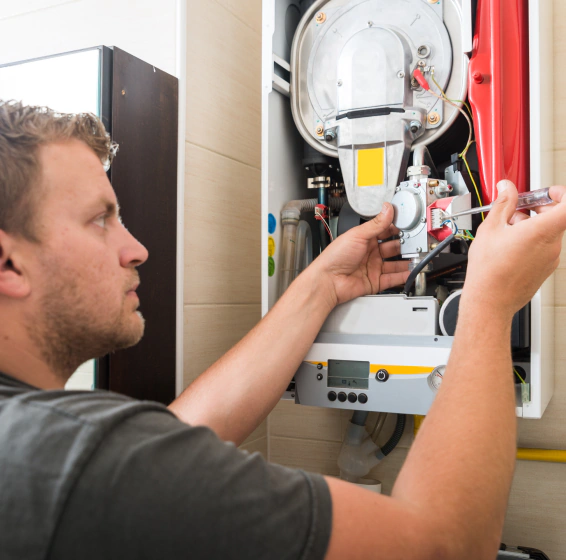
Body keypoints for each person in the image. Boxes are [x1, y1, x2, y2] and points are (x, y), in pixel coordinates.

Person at [0, 100, 564, 560]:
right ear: (8, 265)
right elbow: (446, 546)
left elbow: (179, 435)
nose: (137, 249)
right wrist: (490, 304)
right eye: (101, 219)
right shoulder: (70, 458)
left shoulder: (42, 446)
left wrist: (321, 285)